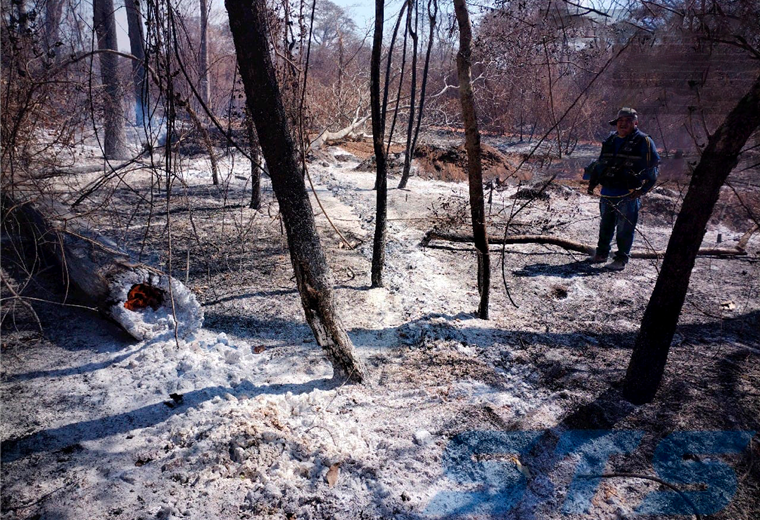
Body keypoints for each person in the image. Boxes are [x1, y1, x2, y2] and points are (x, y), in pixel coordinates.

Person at [584, 107, 660, 271]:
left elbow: (653, 169)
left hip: (628, 194)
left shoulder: (644, 141)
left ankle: (621, 260)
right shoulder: (610, 140)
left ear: (635, 123)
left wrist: (642, 190)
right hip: (607, 192)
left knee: (625, 229)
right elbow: (600, 163)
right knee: (605, 225)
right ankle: (602, 254)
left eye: (627, 121)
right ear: (616, 123)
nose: (623, 124)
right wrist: (592, 184)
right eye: (620, 121)